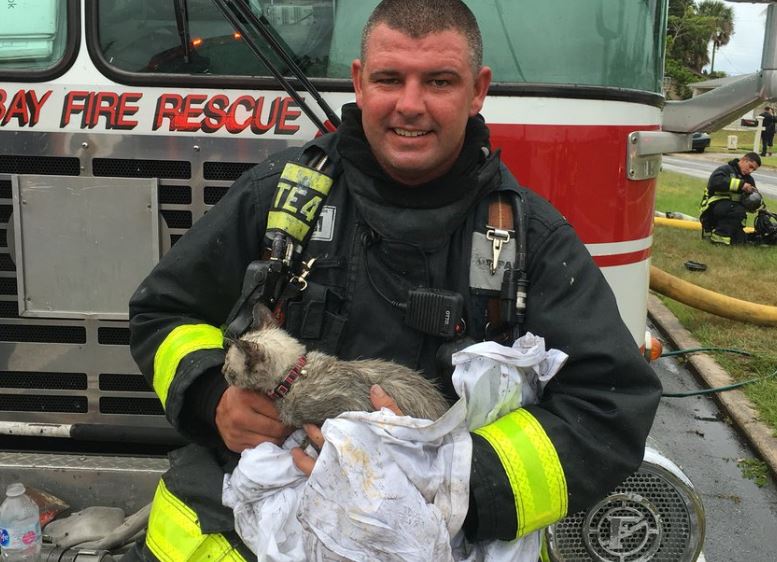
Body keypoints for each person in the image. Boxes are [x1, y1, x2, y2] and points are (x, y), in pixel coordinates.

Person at [125, 0, 662, 560]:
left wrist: (452, 482)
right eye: (389, 78)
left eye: (439, 80)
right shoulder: (276, 199)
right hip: (236, 534)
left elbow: (609, 408)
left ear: (477, 91)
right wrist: (214, 397)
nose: (410, 104)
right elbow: (162, 312)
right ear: (359, 82)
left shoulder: (533, 242)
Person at [700, 151, 761, 245]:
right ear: (744, 160)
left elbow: (752, 198)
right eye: (750, 166)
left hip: (734, 213)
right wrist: (741, 185)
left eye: (754, 170)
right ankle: (718, 239)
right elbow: (716, 182)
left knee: (740, 241)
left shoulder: (749, 179)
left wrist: (756, 202)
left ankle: (724, 234)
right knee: (735, 209)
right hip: (712, 209)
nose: (750, 171)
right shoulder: (725, 170)